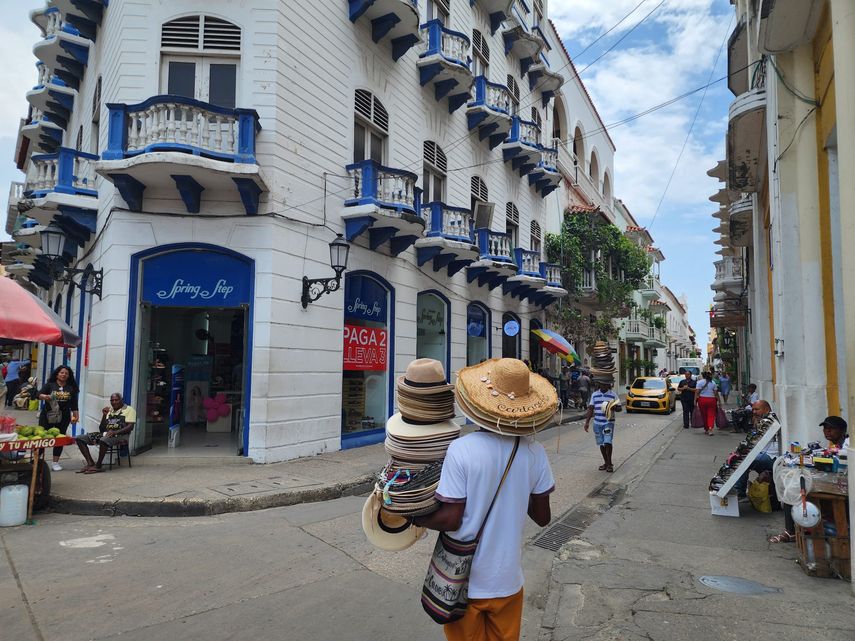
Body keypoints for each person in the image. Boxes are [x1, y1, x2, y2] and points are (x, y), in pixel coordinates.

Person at [414, 359, 554, 641]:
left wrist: (414, 517)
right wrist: (516, 486)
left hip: (464, 584)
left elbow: (451, 518)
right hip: (508, 582)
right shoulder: (535, 452)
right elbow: (543, 517)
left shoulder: (461, 450)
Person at [768, 414, 847, 544]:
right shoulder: (834, 446)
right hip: (835, 480)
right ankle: (798, 528)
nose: (827, 431)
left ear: (842, 431)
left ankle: (791, 532)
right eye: (825, 428)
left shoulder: (846, 446)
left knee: (793, 488)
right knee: (796, 483)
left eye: (831, 429)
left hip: (841, 484)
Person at [75, 393, 136, 473]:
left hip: (121, 435)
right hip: (107, 434)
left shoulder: (129, 410)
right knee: (80, 438)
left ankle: (98, 465)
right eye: (112, 400)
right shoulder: (110, 410)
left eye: (116, 400)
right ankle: (90, 463)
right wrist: (104, 415)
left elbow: (130, 427)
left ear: (121, 400)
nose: (114, 402)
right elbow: (102, 429)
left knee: (103, 440)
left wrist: (115, 432)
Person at [37, 365, 80, 471]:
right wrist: (44, 397)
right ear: (57, 374)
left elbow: (74, 404)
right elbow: (38, 394)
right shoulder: (50, 385)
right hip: (47, 416)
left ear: (68, 376)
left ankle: (55, 462)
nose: (64, 375)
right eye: (62, 372)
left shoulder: (71, 388)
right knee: (42, 437)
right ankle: (37, 460)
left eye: (66, 373)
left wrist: (76, 415)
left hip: (64, 416)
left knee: (60, 438)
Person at [585, 381, 622, 472]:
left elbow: (620, 408)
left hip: (608, 423)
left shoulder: (613, 395)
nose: (605, 385)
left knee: (607, 442)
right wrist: (587, 422)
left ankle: (609, 464)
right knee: (601, 443)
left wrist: (614, 408)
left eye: (606, 383)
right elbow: (590, 408)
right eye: (602, 384)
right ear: (599, 384)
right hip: (597, 423)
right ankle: (606, 462)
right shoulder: (594, 395)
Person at [693, 371, 721, 436]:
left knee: (704, 415)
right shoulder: (713, 383)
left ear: (703, 376)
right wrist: (719, 401)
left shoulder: (699, 382)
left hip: (702, 400)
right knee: (711, 415)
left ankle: (706, 429)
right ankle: (710, 429)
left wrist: (694, 401)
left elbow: (697, 392)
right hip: (712, 400)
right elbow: (716, 394)